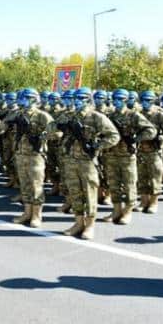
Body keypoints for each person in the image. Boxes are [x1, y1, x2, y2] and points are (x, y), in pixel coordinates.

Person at [58, 87, 120, 240]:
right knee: (74, 192)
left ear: (88, 99)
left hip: (87, 162)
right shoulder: (68, 115)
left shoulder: (96, 117)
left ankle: (90, 226)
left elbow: (114, 136)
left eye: (81, 98)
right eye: (76, 98)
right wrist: (60, 126)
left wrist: (97, 146)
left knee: (90, 193)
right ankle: (78, 223)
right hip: (70, 160)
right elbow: (52, 127)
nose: (77, 101)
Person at [103, 89, 156, 225]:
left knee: (129, 185)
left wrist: (136, 139)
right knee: (113, 184)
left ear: (126, 100)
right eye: (115, 99)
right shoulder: (108, 115)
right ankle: (116, 210)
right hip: (111, 154)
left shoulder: (134, 116)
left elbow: (151, 130)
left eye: (120, 99)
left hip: (127, 156)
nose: (117, 102)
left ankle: (127, 212)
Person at [9, 88, 52, 228]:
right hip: (20, 155)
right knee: (25, 185)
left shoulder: (42, 116)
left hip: (35, 156)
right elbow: (3, 125)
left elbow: (57, 132)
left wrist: (42, 137)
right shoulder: (17, 114)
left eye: (26, 98)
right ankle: (27, 213)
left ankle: (37, 215)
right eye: (22, 98)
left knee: (36, 186)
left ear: (34, 99)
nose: (23, 100)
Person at [136, 90, 163, 213]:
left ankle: (153, 203)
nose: (146, 103)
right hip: (139, 150)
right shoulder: (137, 113)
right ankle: (143, 202)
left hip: (154, 151)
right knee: (141, 177)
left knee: (155, 177)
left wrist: (162, 138)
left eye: (149, 100)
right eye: (144, 100)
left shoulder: (160, 115)